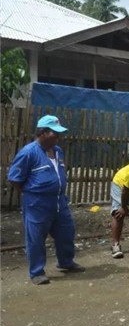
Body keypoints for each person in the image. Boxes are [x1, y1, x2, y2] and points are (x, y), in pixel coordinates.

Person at [8, 115, 85, 285]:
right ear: (42, 133)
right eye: (54, 133)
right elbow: (14, 177)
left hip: (59, 201)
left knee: (66, 232)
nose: (58, 137)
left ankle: (66, 262)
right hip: (37, 203)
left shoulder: (58, 151)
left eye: (59, 133)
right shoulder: (29, 152)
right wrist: (30, 193)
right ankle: (37, 272)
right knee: (36, 237)